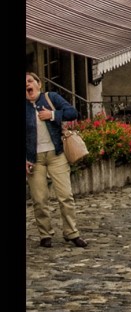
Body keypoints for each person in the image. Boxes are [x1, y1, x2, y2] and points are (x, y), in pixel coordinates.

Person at [25, 71, 88, 248]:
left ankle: (72, 233)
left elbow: (72, 112)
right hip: (34, 159)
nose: (27, 85)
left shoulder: (50, 97)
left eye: (30, 81)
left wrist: (52, 115)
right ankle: (45, 234)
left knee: (65, 196)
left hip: (56, 155)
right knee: (39, 199)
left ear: (38, 84)